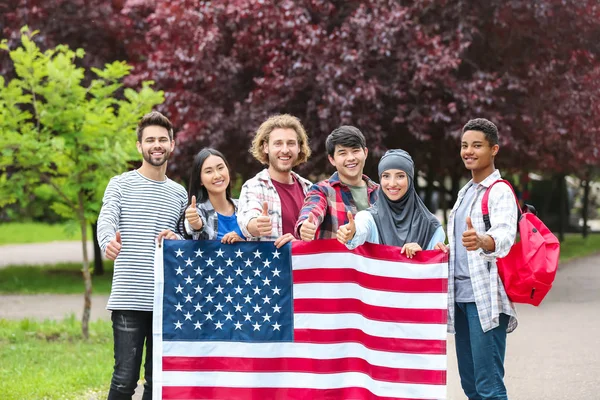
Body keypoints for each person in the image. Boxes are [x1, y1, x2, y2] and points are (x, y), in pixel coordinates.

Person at [97, 111, 187, 400]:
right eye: (150, 140)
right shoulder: (120, 184)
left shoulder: (179, 194)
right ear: (139, 146)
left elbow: (185, 237)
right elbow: (107, 219)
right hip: (129, 298)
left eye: (162, 139)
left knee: (156, 382)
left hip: (165, 301)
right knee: (125, 379)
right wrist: (107, 241)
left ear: (172, 144)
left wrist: (178, 238)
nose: (156, 145)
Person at [446, 118, 518, 400]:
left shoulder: (498, 190)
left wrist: (482, 241)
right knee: (471, 386)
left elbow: (503, 236)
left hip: (484, 299)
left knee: (489, 387)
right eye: (465, 146)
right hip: (461, 298)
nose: (469, 151)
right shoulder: (466, 191)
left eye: (477, 145)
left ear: (494, 149)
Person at [336, 149, 445, 257]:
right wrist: (353, 233)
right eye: (386, 176)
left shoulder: (432, 227)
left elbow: (433, 269)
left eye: (400, 176)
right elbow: (361, 229)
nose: (392, 183)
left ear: (410, 179)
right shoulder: (370, 218)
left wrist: (422, 257)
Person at [237, 114, 312, 248]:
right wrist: (257, 224)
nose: (285, 150)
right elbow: (247, 220)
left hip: (306, 267)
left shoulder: (310, 189)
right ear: (266, 147)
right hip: (271, 267)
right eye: (278, 143)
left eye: (291, 143)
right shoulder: (253, 187)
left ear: (299, 147)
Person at [295, 125, 378, 241]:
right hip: (337, 258)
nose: (350, 158)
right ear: (332, 159)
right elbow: (313, 208)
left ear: (365, 153)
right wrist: (306, 225)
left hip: (374, 259)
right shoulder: (322, 190)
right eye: (343, 153)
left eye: (355, 151)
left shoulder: (381, 193)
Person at [184, 148, 245, 243]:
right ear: (200, 180)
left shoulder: (244, 207)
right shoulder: (197, 211)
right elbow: (194, 227)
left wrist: (243, 245)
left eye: (220, 168)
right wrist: (196, 223)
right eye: (209, 171)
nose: (217, 175)